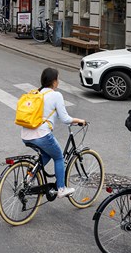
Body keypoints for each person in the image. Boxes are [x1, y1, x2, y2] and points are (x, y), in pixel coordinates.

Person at [21, 68, 86, 198]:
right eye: (58, 79)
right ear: (54, 82)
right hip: (41, 135)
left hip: (25, 135)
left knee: (47, 154)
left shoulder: (35, 93)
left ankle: (30, 177)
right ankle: (61, 188)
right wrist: (80, 120)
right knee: (58, 157)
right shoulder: (56, 95)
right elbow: (65, 119)